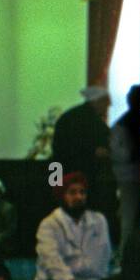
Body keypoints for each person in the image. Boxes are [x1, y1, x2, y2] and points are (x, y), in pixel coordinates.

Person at [34, 172, 121, 280]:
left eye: (82, 192)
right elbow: (51, 259)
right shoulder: (49, 224)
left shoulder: (99, 220)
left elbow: (106, 256)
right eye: (72, 193)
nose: (79, 197)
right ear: (62, 196)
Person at [54, 85, 115, 232]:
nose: (107, 108)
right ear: (97, 102)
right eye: (105, 104)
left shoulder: (69, 117)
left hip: (61, 171)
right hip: (85, 174)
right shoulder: (92, 121)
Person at [110, 84, 140, 254]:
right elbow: (120, 154)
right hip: (130, 178)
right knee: (129, 219)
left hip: (137, 178)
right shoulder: (126, 124)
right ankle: (125, 256)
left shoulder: (128, 122)